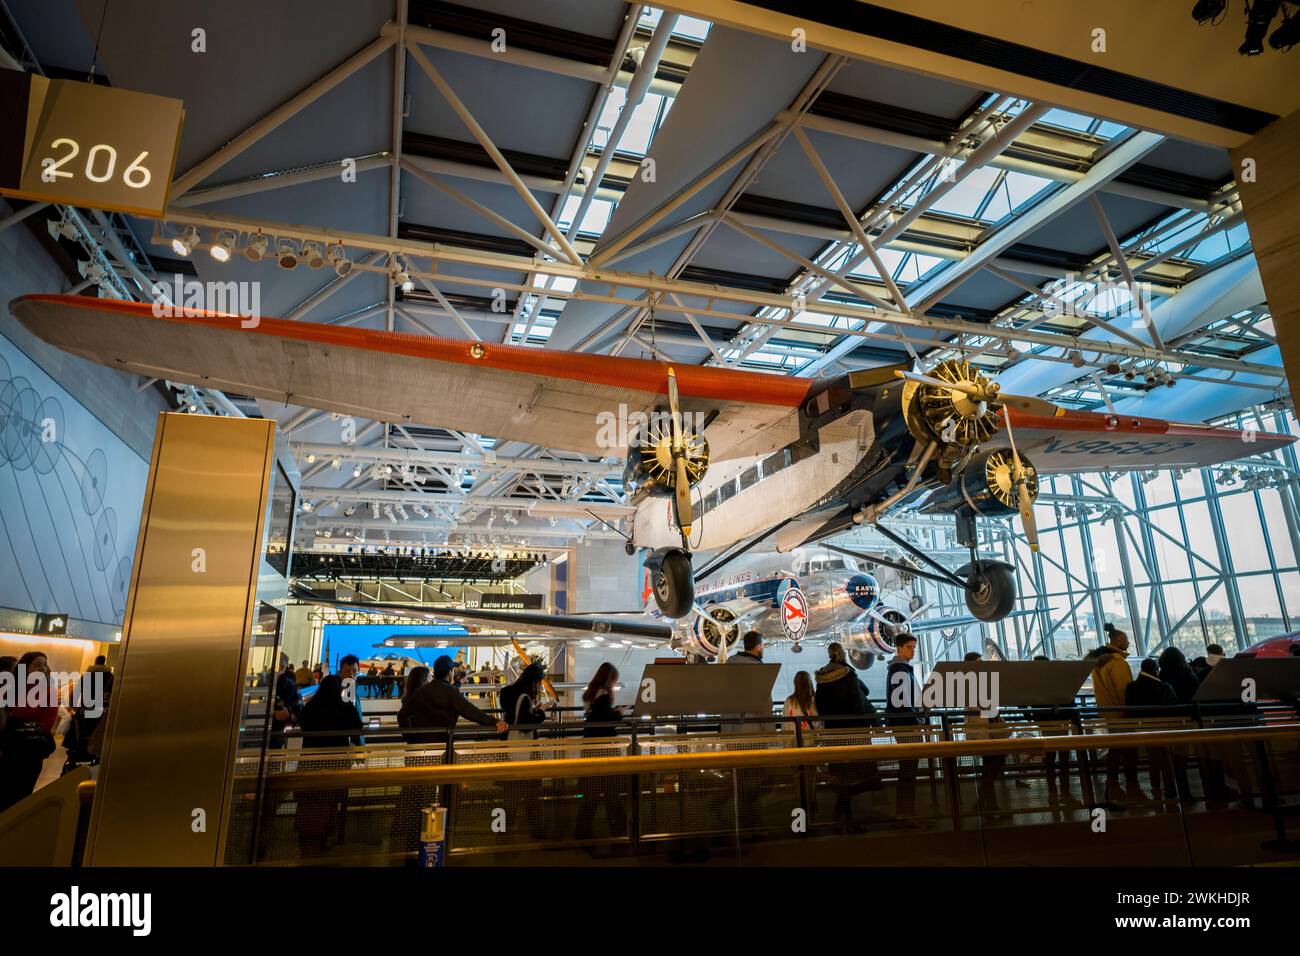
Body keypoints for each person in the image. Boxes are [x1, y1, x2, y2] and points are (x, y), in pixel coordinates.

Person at [294, 675, 363, 855]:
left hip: (310, 761)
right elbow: (357, 725)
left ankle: (307, 836)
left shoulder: (311, 706)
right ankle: (324, 836)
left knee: (310, 800)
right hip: (334, 761)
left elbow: (302, 725)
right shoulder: (344, 707)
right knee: (329, 801)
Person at [1088, 623, 1143, 806]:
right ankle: (1132, 785)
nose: (1128, 642)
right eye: (1125, 638)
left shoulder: (1098, 663)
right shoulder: (1117, 663)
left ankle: (1111, 784)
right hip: (1121, 714)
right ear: (1118, 640)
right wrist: (1130, 711)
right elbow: (1123, 691)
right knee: (1128, 750)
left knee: (1115, 749)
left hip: (1107, 713)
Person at [397, 655, 508, 744]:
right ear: (450, 672)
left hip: (418, 747)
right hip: (442, 746)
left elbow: (402, 715)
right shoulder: (451, 691)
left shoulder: (421, 691)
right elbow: (471, 711)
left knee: (417, 772)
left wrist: (410, 737)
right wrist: (494, 721)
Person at [0, 652, 59, 812]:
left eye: (44, 664)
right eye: (37, 664)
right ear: (25, 668)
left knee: (21, 798)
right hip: (8, 752)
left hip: (30, 753)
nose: (42, 668)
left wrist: (16, 722)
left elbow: (46, 725)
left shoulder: (49, 692)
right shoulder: (11, 689)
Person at [576, 663, 627, 843]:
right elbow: (605, 719)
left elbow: (595, 716)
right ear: (609, 679)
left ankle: (582, 831)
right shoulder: (603, 695)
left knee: (591, 792)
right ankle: (620, 830)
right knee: (612, 792)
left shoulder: (590, 693)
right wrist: (619, 713)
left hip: (589, 747)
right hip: (604, 750)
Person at [1126, 658, 1180, 801]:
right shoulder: (1165, 687)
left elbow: (1130, 711)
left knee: (1153, 758)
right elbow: (1174, 708)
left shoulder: (1131, 687)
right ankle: (1170, 788)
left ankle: (1155, 787)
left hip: (1143, 729)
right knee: (1166, 759)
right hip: (1164, 728)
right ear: (1156, 670)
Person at [886, 633, 925, 827]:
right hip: (907, 728)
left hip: (903, 726)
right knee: (909, 771)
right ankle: (906, 813)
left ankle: (905, 812)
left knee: (907, 770)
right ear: (899, 649)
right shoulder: (900, 671)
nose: (913, 650)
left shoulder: (899, 670)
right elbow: (902, 703)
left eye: (914, 647)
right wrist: (917, 721)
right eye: (909, 647)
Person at [500, 663, 547, 743]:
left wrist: (533, 710)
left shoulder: (506, 691)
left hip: (507, 736)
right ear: (534, 681)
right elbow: (525, 725)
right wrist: (541, 712)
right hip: (521, 743)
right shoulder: (525, 696)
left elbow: (515, 712)